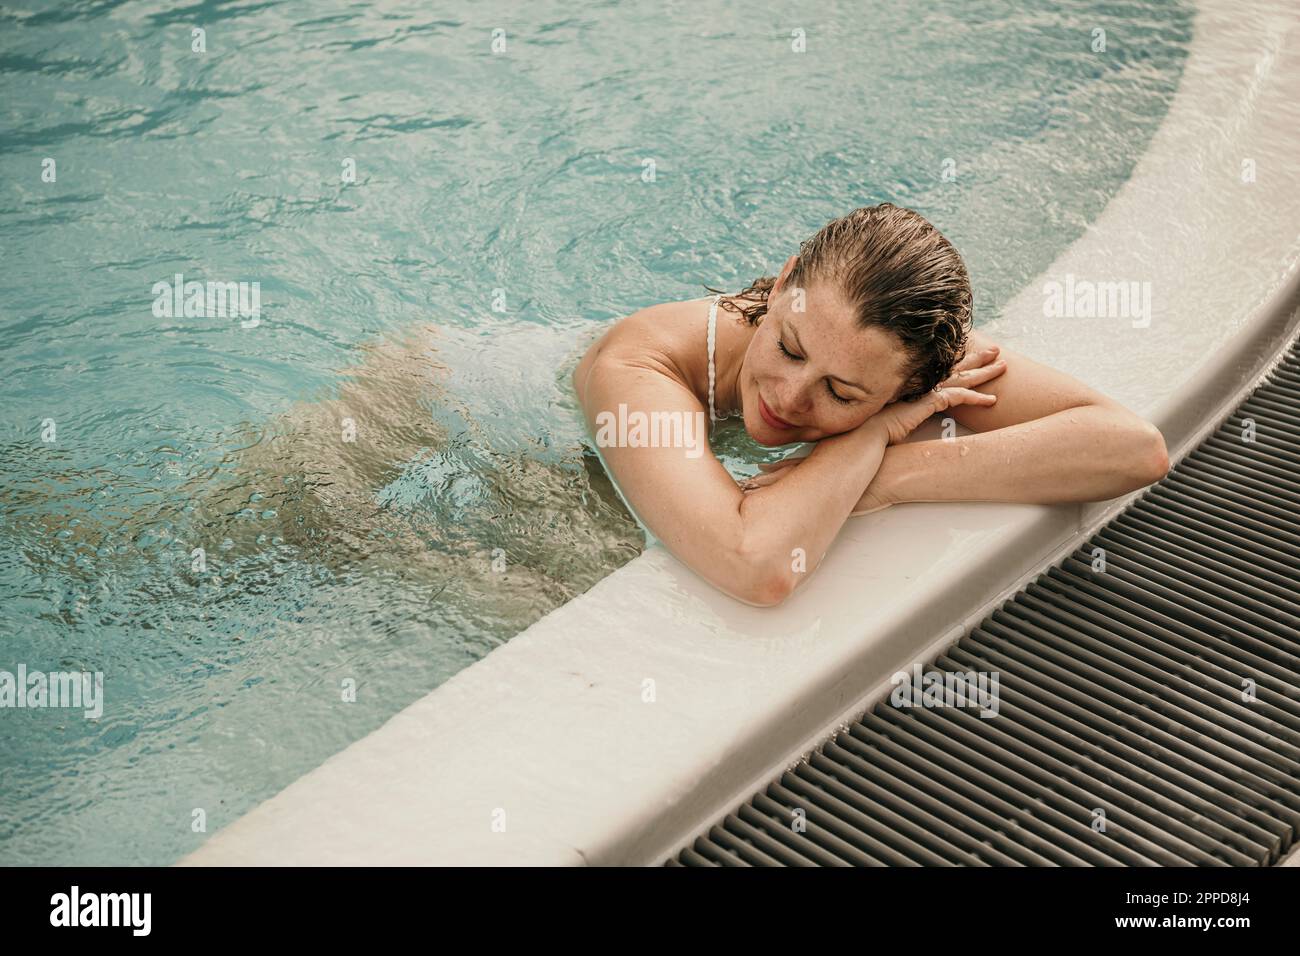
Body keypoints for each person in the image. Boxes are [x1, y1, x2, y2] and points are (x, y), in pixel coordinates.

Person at [571, 203, 1170, 608]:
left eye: (841, 393)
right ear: (783, 286)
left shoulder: (898, 355)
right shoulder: (639, 363)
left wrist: (886, 469)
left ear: (910, 389)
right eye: (787, 346)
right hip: (562, 477)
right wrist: (864, 433)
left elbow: (1132, 447)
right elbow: (755, 567)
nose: (788, 396)